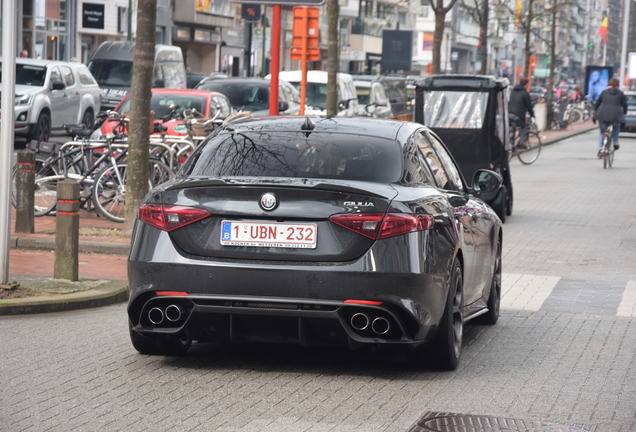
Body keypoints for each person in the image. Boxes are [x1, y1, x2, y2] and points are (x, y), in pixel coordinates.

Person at [594, 77, 627, 157]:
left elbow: (598, 103)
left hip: (603, 115)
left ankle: (601, 149)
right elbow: (624, 105)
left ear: (609, 84)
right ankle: (615, 141)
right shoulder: (620, 93)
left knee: (603, 133)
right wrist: (624, 112)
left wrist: (595, 112)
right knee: (616, 128)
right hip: (616, 115)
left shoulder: (604, 92)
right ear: (617, 85)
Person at [508, 78, 535, 148]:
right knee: (524, 128)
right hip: (517, 115)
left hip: (509, 114)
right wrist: (532, 115)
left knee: (512, 128)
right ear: (526, 85)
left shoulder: (513, 91)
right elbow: (529, 106)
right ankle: (521, 143)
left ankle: (512, 144)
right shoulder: (525, 93)